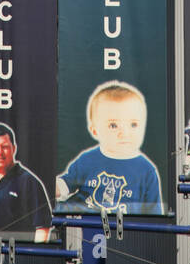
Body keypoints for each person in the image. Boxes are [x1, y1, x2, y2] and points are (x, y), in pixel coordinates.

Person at [56, 81, 164, 215]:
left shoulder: (147, 170)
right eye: (113, 125)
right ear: (95, 131)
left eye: (133, 124)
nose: (124, 133)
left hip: (126, 230)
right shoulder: (87, 160)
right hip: (84, 226)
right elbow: (64, 184)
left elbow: (155, 217)